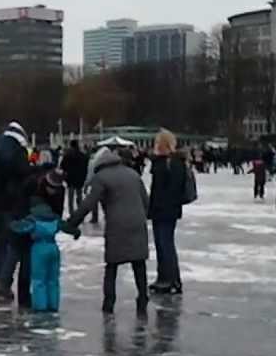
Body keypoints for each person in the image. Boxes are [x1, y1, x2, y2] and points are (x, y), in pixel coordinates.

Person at [61, 147, 150, 314]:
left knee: (112, 265)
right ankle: (143, 297)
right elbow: (146, 202)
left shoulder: (101, 177)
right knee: (139, 263)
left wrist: (72, 223)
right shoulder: (133, 174)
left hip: (117, 225)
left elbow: (88, 203)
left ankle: (109, 302)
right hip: (138, 223)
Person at [0, 122, 33, 304]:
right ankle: (4, 284)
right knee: (13, 245)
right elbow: (25, 175)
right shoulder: (17, 151)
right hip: (12, 206)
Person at [9, 178, 67, 312]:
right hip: (53, 248)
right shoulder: (54, 219)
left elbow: (19, 228)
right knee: (53, 279)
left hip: (39, 249)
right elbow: (67, 227)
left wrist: (11, 224)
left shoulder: (33, 220)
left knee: (38, 279)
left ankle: (40, 305)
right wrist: (75, 231)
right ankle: (53, 304)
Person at [148, 131, 186, 295]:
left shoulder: (172, 163)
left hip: (165, 210)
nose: (155, 145)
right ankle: (164, 278)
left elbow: (171, 189)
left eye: (158, 142)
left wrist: (160, 205)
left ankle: (171, 279)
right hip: (161, 210)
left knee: (165, 245)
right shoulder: (164, 162)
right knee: (161, 245)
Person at [60, 140, 89, 214]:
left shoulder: (67, 155)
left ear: (71, 145)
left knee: (71, 197)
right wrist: (84, 177)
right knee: (79, 196)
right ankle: (80, 212)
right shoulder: (83, 155)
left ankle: (71, 213)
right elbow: (86, 167)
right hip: (80, 178)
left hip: (70, 179)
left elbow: (62, 166)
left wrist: (65, 176)